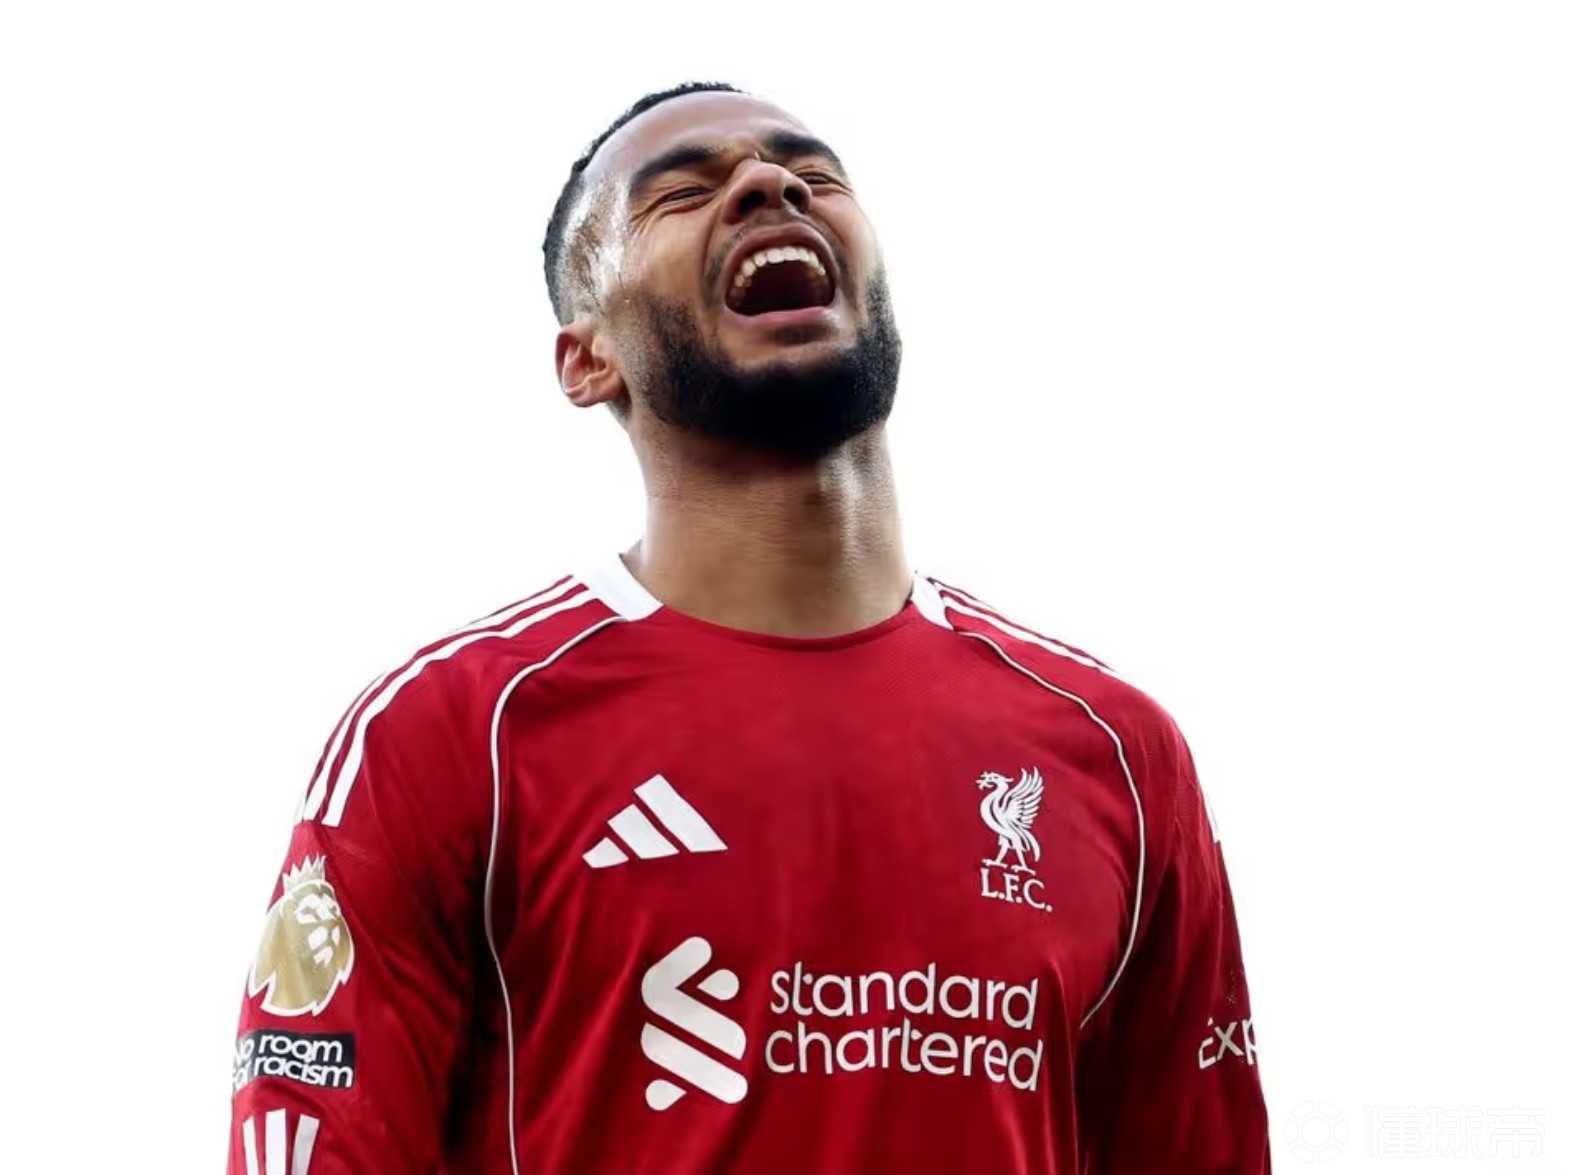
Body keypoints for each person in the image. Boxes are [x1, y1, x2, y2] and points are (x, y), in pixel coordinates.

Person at [226, 81, 1272, 1174]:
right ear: (588, 359)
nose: (770, 185)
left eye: (813, 174)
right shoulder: (446, 733)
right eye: (681, 192)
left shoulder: (1116, 750)